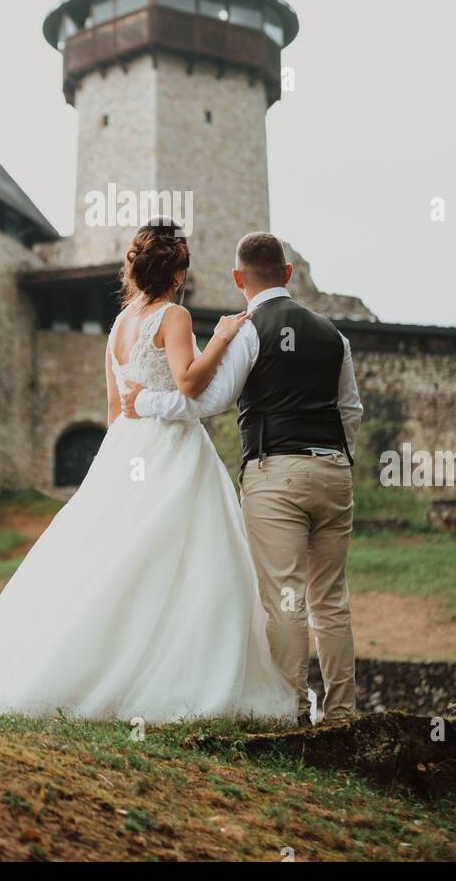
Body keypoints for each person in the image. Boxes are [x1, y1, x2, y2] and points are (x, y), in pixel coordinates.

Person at [0, 219, 297, 725]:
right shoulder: (174, 316)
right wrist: (222, 338)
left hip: (124, 449)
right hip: (169, 448)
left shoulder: (118, 325)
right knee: (180, 559)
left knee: (111, 557)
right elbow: (189, 386)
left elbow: (116, 408)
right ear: (178, 273)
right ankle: (168, 672)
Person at [122, 231, 362, 725]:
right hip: (335, 471)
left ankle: (292, 712)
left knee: (285, 597)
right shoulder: (334, 335)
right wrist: (337, 458)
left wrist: (143, 401)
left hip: (276, 473)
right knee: (332, 601)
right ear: (288, 274)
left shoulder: (251, 330)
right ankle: (342, 715)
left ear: (238, 279)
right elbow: (350, 409)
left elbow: (208, 402)